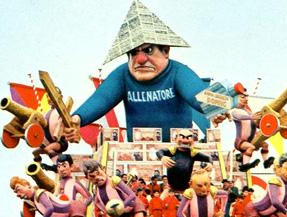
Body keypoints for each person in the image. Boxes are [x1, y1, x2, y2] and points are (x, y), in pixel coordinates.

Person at [67, 1, 212, 143]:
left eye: (148, 50)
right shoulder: (123, 75)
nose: (141, 59)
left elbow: (197, 94)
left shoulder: (177, 72)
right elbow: (101, 99)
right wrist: (77, 118)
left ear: (166, 51)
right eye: (134, 53)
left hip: (180, 151)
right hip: (138, 154)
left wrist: (219, 107)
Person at [230, 82, 274, 171]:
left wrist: (261, 120)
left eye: (246, 96)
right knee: (251, 147)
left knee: (265, 145)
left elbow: (256, 124)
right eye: (242, 97)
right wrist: (252, 117)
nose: (245, 99)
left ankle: (266, 162)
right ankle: (245, 165)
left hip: (252, 139)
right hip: (240, 142)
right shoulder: (235, 111)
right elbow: (239, 117)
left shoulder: (249, 112)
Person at [156, 128, 212, 193]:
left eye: (188, 138)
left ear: (193, 140)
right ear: (176, 138)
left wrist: (210, 163)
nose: (185, 140)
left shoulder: (193, 153)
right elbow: (159, 151)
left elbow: (208, 158)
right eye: (182, 137)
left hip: (187, 188)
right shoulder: (172, 151)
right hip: (170, 188)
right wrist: (162, 157)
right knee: (161, 201)